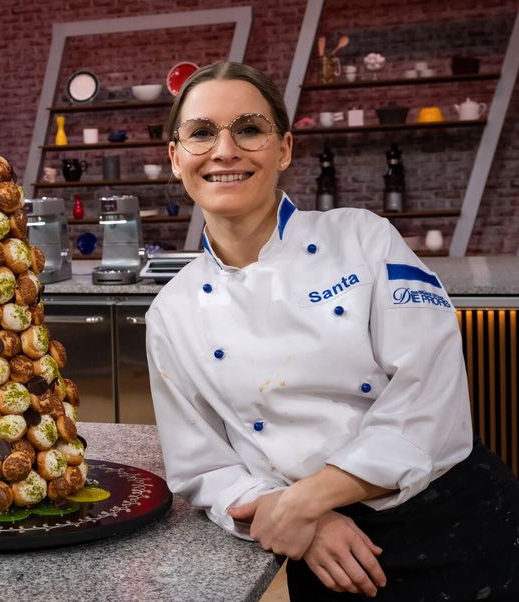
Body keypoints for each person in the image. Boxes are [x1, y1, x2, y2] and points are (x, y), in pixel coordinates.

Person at [146, 61, 519, 600]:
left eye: (249, 129)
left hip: (453, 523)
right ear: (176, 158)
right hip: (320, 551)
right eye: (202, 132)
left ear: (285, 149)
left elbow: (429, 401)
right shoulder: (171, 310)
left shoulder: (365, 239)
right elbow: (204, 465)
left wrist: (304, 501)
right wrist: (296, 516)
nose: (224, 151)